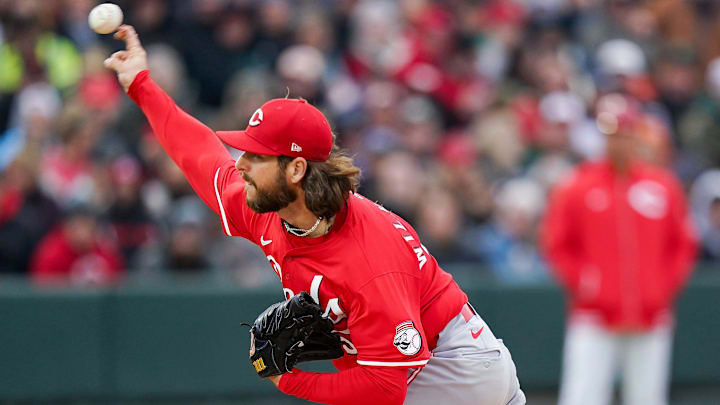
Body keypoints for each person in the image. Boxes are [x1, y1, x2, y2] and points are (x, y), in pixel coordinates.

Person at [103, 25, 525, 405]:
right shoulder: (270, 206)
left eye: (257, 155)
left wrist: (290, 382)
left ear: (297, 169)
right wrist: (142, 85)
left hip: (456, 367)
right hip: (418, 362)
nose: (243, 164)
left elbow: (384, 389)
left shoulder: (368, 258)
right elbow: (200, 154)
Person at [541, 93, 698, 405]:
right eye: (611, 134)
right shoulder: (578, 186)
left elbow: (682, 245)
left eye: (624, 133)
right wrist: (585, 283)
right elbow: (557, 244)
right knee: (582, 396)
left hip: (650, 315)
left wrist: (661, 288)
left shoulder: (661, 186)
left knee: (647, 398)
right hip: (593, 315)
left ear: (635, 134)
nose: (618, 142)